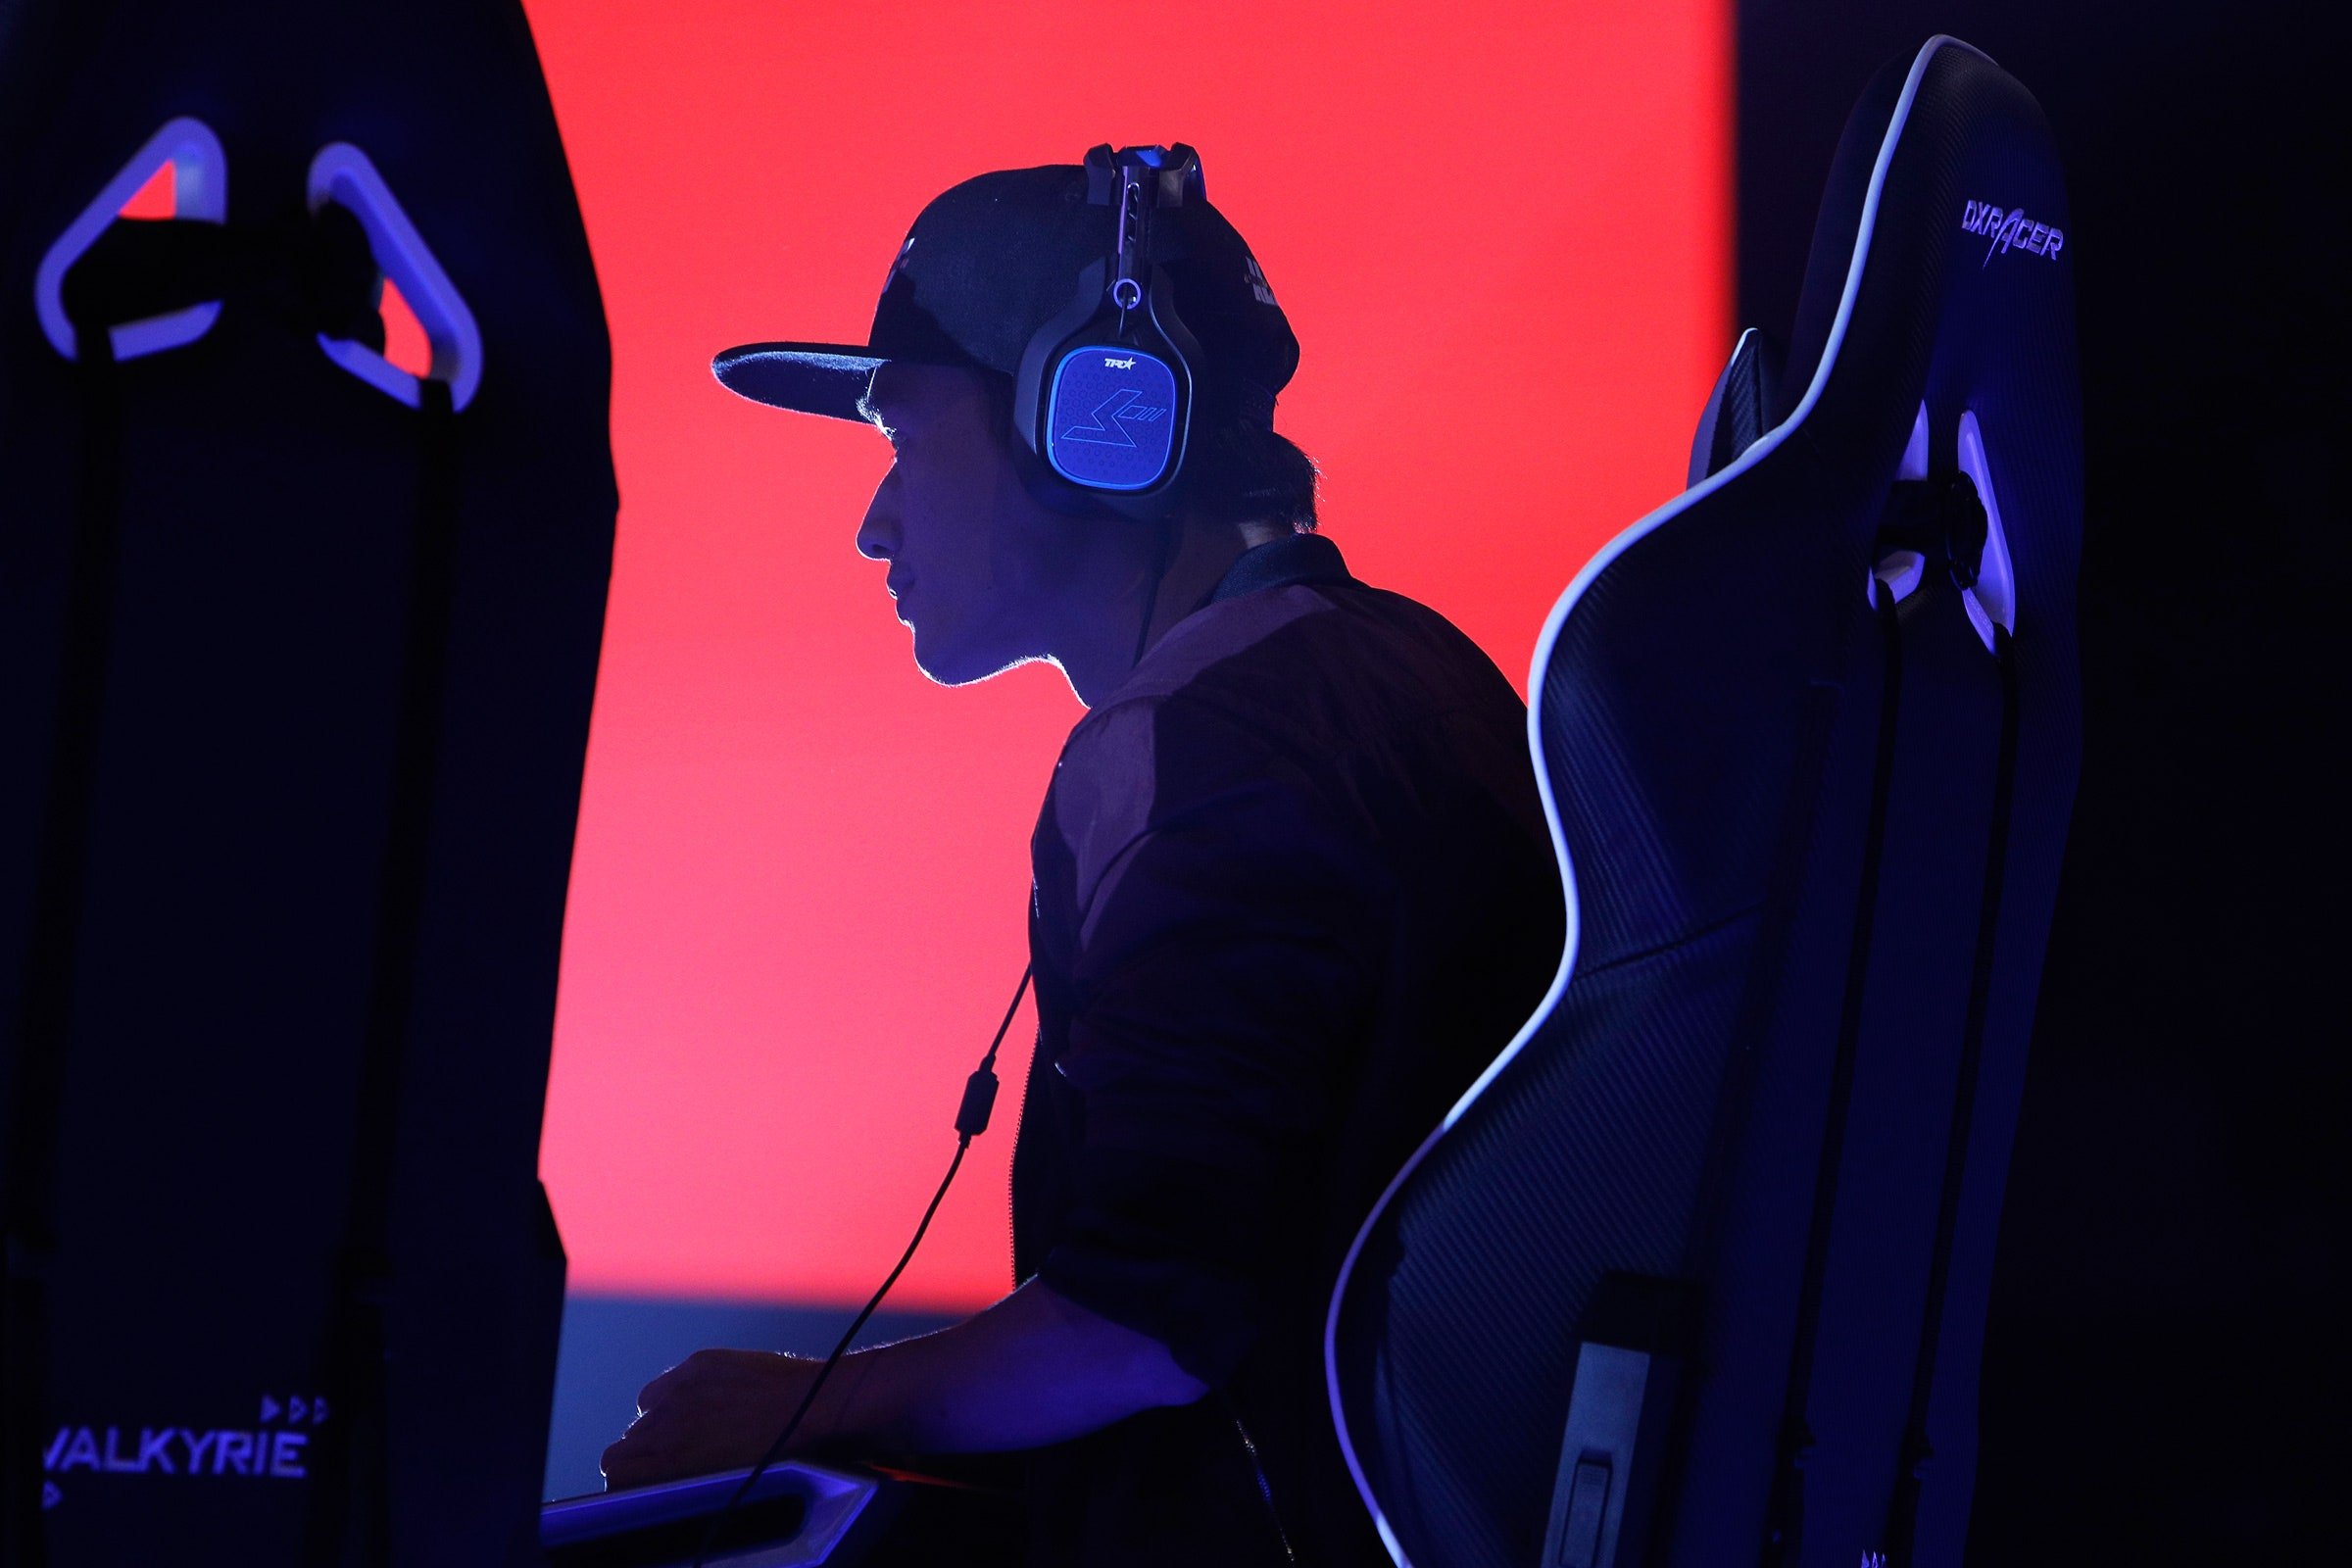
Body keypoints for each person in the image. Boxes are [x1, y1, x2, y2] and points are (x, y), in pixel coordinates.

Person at [599, 146, 1563, 1566]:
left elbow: (1154, 1321)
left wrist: (808, 1407)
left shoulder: (1207, 740)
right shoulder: (1407, 671)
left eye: (903, 441)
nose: (875, 524)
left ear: (1096, 421)